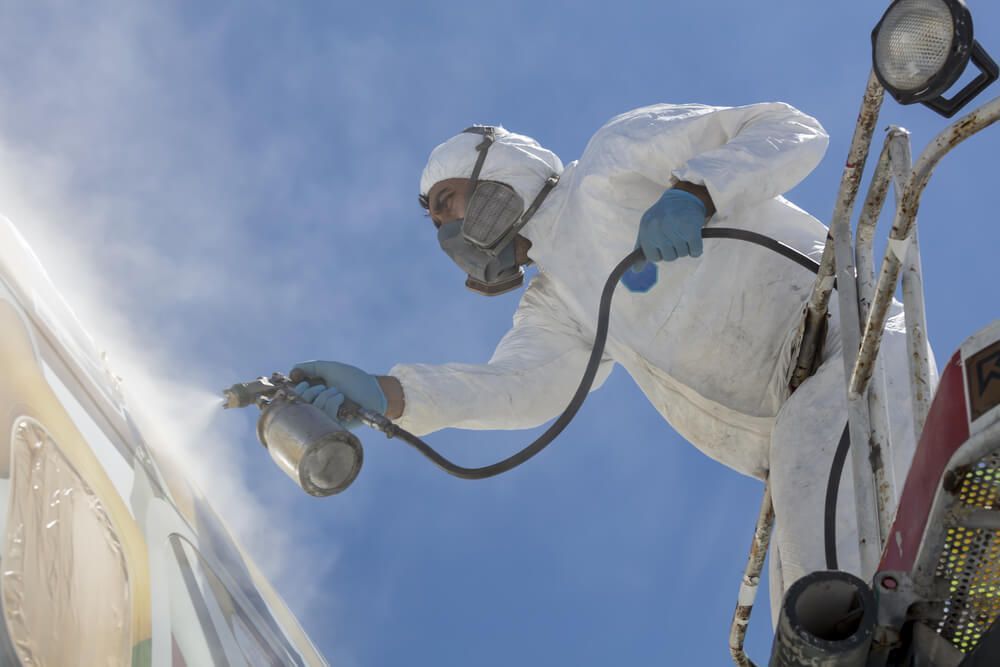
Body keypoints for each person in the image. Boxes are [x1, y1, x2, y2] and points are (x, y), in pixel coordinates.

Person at [291, 102, 933, 618]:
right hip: (796, 438)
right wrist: (388, 395)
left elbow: (790, 130)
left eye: (447, 203)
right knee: (815, 622)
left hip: (856, 352)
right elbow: (520, 389)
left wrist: (696, 191)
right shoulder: (558, 301)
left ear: (498, 168)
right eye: (435, 225)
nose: (446, 231)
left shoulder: (614, 158)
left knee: (838, 612)